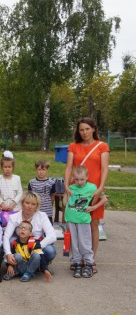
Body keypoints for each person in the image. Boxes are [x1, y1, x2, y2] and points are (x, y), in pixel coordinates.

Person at [64, 117, 109, 274]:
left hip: (93, 189)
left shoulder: (102, 146)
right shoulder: (73, 146)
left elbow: (104, 169)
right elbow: (69, 167)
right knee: (75, 224)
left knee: (93, 224)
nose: (84, 132)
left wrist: (100, 188)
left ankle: (91, 260)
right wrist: (66, 185)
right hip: (76, 190)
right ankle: (77, 259)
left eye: (87, 129)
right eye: (81, 129)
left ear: (94, 129)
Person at [66, 166, 107, 278]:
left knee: (85, 242)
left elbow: (104, 199)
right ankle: (77, 264)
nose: (79, 182)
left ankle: (89, 263)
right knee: (74, 243)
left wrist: (93, 208)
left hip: (83, 220)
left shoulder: (92, 187)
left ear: (87, 177)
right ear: (74, 178)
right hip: (70, 219)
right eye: (77, 179)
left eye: (82, 179)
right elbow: (66, 202)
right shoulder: (71, 187)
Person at [3, 191, 57, 275]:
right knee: (10, 241)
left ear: (37, 206)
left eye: (33, 204)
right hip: (20, 246)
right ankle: (13, 265)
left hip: (36, 244)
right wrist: (8, 254)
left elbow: (52, 236)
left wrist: (36, 247)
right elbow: (6, 237)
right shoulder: (14, 217)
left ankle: (41, 266)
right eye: (27, 203)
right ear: (22, 203)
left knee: (50, 250)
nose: (30, 206)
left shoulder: (42, 216)